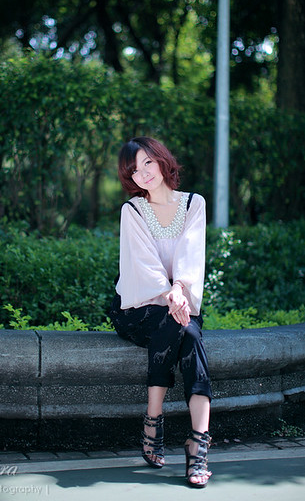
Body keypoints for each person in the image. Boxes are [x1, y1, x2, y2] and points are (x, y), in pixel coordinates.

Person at [109, 136, 212, 488]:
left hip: (180, 300)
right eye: (134, 171)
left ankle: (190, 438)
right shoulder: (133, 210)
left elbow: (191, 254)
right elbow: (143, 265)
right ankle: (184, 439)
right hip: (139, 308)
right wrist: (171, 294)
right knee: (184, 328)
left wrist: (179, 289)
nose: (143, 174)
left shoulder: (194, 203)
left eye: (147, 163)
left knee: (188, 332)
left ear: (161, 159)